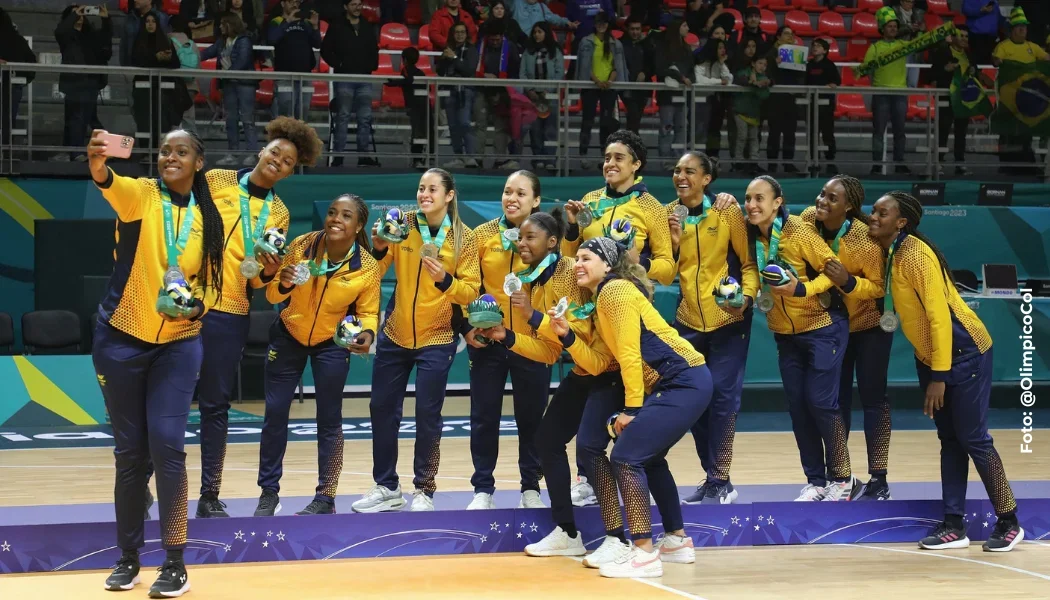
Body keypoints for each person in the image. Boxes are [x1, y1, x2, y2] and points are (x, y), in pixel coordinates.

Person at [87, 127, 225, 597]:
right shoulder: (143, 195)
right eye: (165, 150)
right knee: (131, 456)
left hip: (179, 342)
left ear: (197, 162)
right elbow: (110, 183)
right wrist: (100, 163)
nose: (170, 157)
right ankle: (127, 557)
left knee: (167, 446)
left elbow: (213, 286)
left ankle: (175, 561)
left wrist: (195, 307)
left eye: (181, 152)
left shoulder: (209, 217)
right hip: (121, 339)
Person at [868, 191, 1023, 552]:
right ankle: (954, 524)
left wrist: (939, 376)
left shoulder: (918, 255)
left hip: (964, 351)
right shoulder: (894, 251)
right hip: (934, 356)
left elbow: (939, 317)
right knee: (950, 440)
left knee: (973, 438)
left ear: (901, 222)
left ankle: (1010, 520)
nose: (873, 216)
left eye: (881, 212)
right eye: (873, 210)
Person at [198, 116, 321, 518]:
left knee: (216, 404)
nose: (278, 162)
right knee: (165, 400)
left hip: (230, 310)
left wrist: (269, 269)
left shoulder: (279, 213)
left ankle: (209, 495)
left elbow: (259, 282)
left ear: (290, 171)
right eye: (275, 153)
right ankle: (148, 485)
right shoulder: (216, 180)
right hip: (183, 303)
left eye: (287, 162)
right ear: (261, 151)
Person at [577, 236, 711, 578]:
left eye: (585, 258)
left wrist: (632, 410)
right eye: (576, 258)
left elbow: (630, 357)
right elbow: (604, 360)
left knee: (625, 456)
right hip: (683, 383)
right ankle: (676, 542)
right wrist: (562, 334)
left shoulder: (615, 291)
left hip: (683, 381)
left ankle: (643, 553)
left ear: (607, 265)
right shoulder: (605, 296)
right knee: (649, 458)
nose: (577, 264)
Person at [352, 169, 480, 512]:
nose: (425, 194)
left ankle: (424, 490)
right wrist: (378, 249)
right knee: (381, 409)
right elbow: (372, 273)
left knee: (427, 414)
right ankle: (386, 487)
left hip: (437, 337)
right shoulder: (402, 224)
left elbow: (471, 291)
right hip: (394, 335)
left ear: (449, 195)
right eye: (421, 188)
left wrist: (445, 280)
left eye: (432, 189)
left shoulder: (463, 239)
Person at [255, 195, 381, 516]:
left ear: (359, 225)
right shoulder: (301, 245)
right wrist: (281, 283)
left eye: (346, 215)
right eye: (332, 212)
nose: (336, 219)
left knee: (329, 419)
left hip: (331, 342)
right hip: (289, 334)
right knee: (275, 413)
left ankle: (325, 497)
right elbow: (271, 292)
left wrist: (365, 335)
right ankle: (269, 493)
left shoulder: (366, 267)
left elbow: (368, 314)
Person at [744, 175, 856, 502]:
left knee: (821, 403)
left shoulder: (798, 231)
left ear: (777, 202)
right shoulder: (751, 235)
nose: (751, 205)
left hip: (823, 328)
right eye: (748, 198)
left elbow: (832, 269)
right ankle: (816, 482)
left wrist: (803, 289)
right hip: (785, 335)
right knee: (798, 408)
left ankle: (843, 479)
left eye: (759, 198)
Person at [667, 152, 758, 505]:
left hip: (728, 319)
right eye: (677, 170)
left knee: (722, 400)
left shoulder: (727, 211)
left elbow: (749, 264)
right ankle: (716, 477)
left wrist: (746, 299)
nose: (681, 176)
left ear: (707, 179)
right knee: (693, 402)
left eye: (690, 171)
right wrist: (673, 245)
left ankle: (719, 479)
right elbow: (667, 272)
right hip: (688, 321)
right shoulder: (667, 215)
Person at [462, 171, 551, 510]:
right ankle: (482, 488)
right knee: (484, 416)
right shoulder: (482, 235)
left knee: (531, 418)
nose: (512, 198)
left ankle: (531, 487)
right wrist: (467, 328)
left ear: (536, 200)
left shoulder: (546, 236)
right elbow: (468, 287)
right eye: (507, 191)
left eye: (521, 193)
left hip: (532, 343)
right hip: (490, 341)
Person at [801, 175, 893, 501]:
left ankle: (878, 479)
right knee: (832, 402)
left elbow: (879, 286)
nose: (822, 201)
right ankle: (838, 477)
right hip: (829, 328)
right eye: (822, 194)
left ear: (849, 206)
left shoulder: (864, 240)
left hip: (868, 326)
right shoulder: (807, 222)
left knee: (873, 399)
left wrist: (850, 282)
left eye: (832, 198)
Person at [563, 129, 676, 287]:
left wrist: (640, 263)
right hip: (587, 299)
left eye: (619, 158)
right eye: (607, 158)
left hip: (628, 298)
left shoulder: (652, 207)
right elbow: (568, 259)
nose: (610, 164)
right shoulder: (590, 200)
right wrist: (572, 227)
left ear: (635, 165)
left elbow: (668, 272)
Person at [321, 0, 381, 167]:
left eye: (359, 4)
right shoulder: (337, 25)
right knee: (343, 117)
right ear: (346, 7)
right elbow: (325, 49)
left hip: (365, 79)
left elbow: (373, 48)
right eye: (353, 4)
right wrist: (339, 65)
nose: (357, 7)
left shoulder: (367, 25)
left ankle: (363, 156)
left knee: (365, 118)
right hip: (344, 79)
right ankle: (338, 157)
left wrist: (372, 66)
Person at [991, 8, 1050, 174]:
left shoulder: (1033, 47)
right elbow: (996, 61)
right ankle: (1007, 165)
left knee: (1026, 133)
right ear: (1012, 29)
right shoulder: (1003, 46)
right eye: (1018, 26)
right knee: (1007, 133)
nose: (1022, 29)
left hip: (1027, 100)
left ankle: (1026, 166)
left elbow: (1047, 60)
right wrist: (998, 61)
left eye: (1024, 26)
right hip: (1009, 98)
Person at [200, 12, 258, 166]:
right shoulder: (221, 42)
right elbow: (207, 53)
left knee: (247, 118)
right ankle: (233, 153)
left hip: (244, 84)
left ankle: (252, 153)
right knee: (231, 119)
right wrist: (188, 56)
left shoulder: (244, 41)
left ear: (230, 24)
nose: (220, 26)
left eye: (222, 23)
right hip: (229, 84)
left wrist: (228, 73)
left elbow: (243, 61)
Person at [575, 11, 626, 168]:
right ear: (595, 24)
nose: (601, 25)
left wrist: (609, 81)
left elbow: (617, 66)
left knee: (606, 123)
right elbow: (585, 66)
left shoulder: (615, 44)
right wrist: (597, 81)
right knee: (587, 121)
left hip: (608, 87)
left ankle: (603, 157)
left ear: (608, 24)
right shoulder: (586, 42)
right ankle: (582, 154)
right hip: (591, 86)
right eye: (598, 23)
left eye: (604, 23)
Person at [865, 7, 911, 175]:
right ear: (882, 29)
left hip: (900, 93)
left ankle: (899, 162)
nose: (893, 29)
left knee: (900, 130)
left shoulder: (903, 45)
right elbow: (866, 68)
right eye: (890, 26)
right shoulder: (875, 48)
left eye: (895, 26)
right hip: (881, 93)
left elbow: (922, 46)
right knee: (878, 131)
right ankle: (877, 164)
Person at [519, 22, 565, 171]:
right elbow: (523, 74)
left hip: (550, 96)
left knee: (550, 129)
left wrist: (549, 89)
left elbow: (559, 73)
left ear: (546, 33)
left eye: (540, 32)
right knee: (535, 129)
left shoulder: (555, 51)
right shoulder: (528, 52)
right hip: (533, 97)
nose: (537, 35)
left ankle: (550, 159)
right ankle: (538, 158)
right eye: (535, 32)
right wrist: (530, 90)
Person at [436, 22, 479, 168]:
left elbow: (468, 70)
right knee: (453, 125)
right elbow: (440, 71)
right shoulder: (449, 49)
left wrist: (454, 58)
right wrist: (444, 58)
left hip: (465, 90)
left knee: (464, 123)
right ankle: (458, 156)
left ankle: (471, 156)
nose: (460, 35)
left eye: (462, 32)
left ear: (466, 34)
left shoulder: (471, 50)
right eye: (457, 32)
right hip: (449, 90)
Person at [654, 19, 695, 165]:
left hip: (684, 95)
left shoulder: (686, 48)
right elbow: (660, 69)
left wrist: (688, 78)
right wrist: (680, 77)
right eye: (684, 25)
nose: (688, 28)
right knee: (667, 127)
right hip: (667, 96)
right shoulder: (663, 48)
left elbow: (691, 70)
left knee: (682, 128)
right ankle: (665, 161)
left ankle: (679, 162)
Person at [765, 26, 801, 174]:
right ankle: (772, 164)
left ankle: (788, 162)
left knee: (790, 133)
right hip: (774, 99)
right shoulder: (771, 54)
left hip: (790, 98)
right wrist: (775, 63)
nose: (790, 37)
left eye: (792, 35)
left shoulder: (796, 54)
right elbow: (767, 73)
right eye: (786, 34)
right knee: (774, 133)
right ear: (778, 37)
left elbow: (799, 75)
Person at [805, 38, 841, 176]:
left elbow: (836, 81)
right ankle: (814, 159)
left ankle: (830, 160)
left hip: (826, 105)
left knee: (827, 132)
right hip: (811, 104)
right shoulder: (809, 65)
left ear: (825, 50)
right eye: (813, 46)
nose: (815, 48)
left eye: (818, 46)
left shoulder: (829, 65)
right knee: (812, 132)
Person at [732, 52, 771, 174]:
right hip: (740, 111)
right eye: (760, 63)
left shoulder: (764, 79)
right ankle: (738, 162)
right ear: (753, 63)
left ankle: (754, 162)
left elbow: (765, 95)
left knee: (754, 138)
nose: (762, 66)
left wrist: (761, 85)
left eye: (765, 64)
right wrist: (752, 83)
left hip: (754, 113)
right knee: (742, 137)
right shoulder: (744, 73)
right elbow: (739, 79)